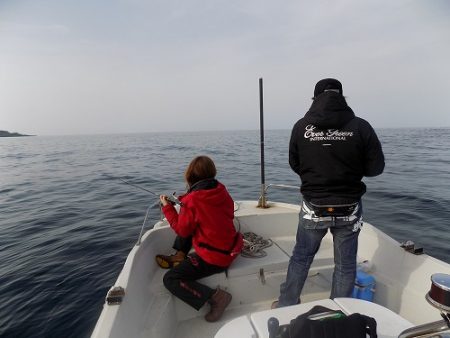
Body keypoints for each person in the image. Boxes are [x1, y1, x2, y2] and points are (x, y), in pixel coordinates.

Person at [274, 78, 385, 308]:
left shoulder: (301, 127)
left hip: (313, 207)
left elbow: (295, 164)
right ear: (342, 97)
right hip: (350, 209)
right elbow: (376, 169)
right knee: (345, 266)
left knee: (301, 258)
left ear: (315, 98)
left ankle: (286, 304)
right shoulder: (361, 127)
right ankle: (339, 311)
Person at [157, 155, 243, 322]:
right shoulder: (220, 189)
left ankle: (217, 298)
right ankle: (180, 255)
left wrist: (168, 208)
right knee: (193, 224)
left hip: (215, 259)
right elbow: (215, 208)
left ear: (190, 176)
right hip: (230, 248)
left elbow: (182, 230)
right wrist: (184, 201)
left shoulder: (192, 201)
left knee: (170, 279)